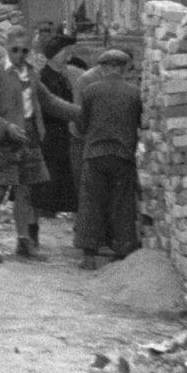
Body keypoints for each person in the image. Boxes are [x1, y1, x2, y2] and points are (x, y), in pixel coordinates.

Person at [0, 28, 52, 261]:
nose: (20, 54)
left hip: (28, 136)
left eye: (25, 50)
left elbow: (48, 100)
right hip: (3, 141)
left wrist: (82, 113)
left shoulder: (31, 74)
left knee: (25, 191)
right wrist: (6, 128)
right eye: (15, 50)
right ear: (7, 47)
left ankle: (24, 241)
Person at [76, 50, 142, 268]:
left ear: (103, 68)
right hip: (123, 155)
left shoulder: (90, 91)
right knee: (122, 203)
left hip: (95, 154)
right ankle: (123, 249)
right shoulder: (134, 93)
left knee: (91, 201)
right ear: (123, 68)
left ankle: (88, 254)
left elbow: (81, 125)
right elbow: (140, 124)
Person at [34, 35, 85, 223]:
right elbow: (52, 105)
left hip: (61, 131)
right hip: (50, 131)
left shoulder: (61, 76)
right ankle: (46, 209)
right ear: (54, 54)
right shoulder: (43, 77)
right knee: (51, 171)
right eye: (65, 52)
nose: (69, 56)